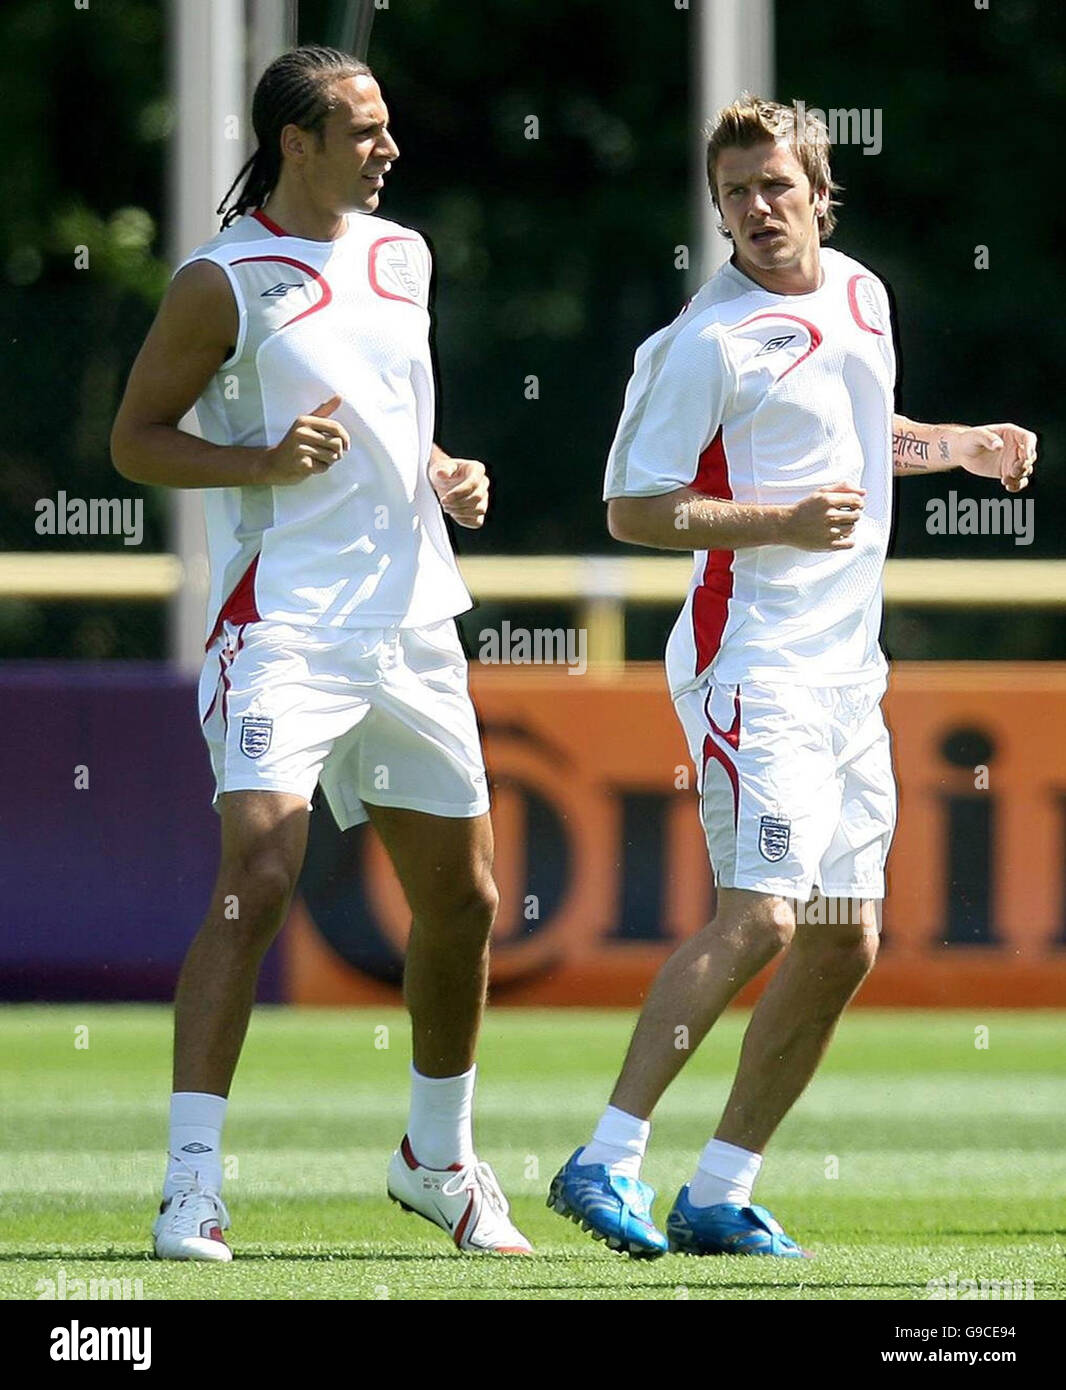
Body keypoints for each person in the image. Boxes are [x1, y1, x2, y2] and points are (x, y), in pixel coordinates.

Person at [548, 95, 1037, 1258]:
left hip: (842, 672)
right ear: (716, 211)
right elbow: (631, 508)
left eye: (776, 186)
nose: (757, 210)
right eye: (734, 194)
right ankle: (603, 1156)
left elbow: (864, 437)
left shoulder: (861, 291)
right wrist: (776, 519)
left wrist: (954, 445)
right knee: (762, 912)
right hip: (747, 660)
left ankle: (718, 1188)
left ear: (822, 191)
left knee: (841, 936)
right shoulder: (700, 343)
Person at [111, 45, 531, 1260]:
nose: (387, 148)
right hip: (281, 623)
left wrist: (441, 471)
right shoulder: (222, 278)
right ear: (295, 142)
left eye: (386, 126)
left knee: (465, 899)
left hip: (409, 622)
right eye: (362, 131)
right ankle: (191, 1184)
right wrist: (259, 463)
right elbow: (137, 438)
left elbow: (395, 410)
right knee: (258, 868)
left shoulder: (405, 256)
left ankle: (436, 1159)